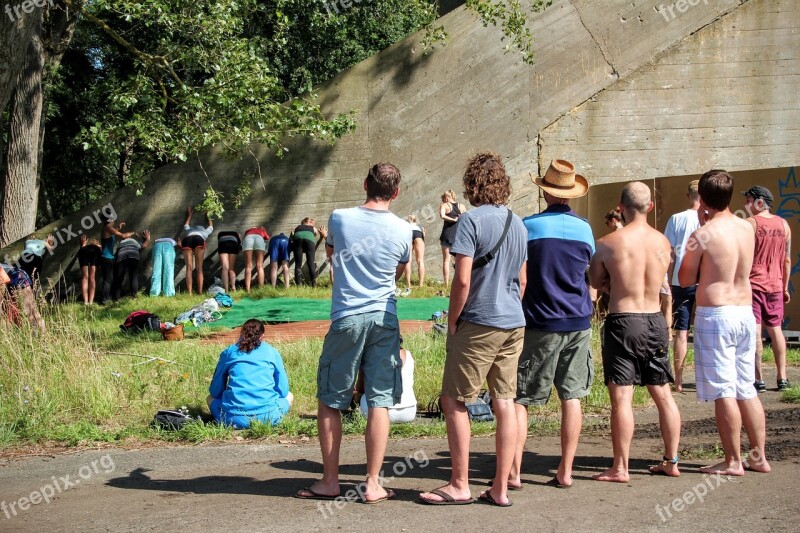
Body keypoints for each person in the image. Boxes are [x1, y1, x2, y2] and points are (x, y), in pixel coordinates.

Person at [295, 162, 411, 504]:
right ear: (396, 192)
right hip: (384, 316)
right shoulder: (404, 229)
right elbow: (398, 272)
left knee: (331, 398)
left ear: (365, 184)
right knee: (380, 399)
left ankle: (330, 480)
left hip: (347, 315)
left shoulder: (340, 217)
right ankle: (373, 483)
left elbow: (332, 254)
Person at [419, 152, 527, 507]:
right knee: (505, 401)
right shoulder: (518, 223)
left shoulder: (469, 222)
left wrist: (452, 321)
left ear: (472, 183)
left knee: (454, 399)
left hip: (480, 320)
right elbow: (522, 280)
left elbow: (462, 280)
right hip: (514, 321)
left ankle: (460, 483)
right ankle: (500, 486)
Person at [588, 181, 682, 482]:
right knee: (663, 394)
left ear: (620, 206)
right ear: (650, 207)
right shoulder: (663, 243)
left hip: (623, 319)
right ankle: (671, 460)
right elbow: (663, 278)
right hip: (654, 318)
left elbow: (594, 279)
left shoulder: (607, 243)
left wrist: (611, 284)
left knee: (623, 398)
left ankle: (620, 467)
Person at [679, 170, 771, 475]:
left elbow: (684, 278)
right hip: (745, 311)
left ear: (702, 198)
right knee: (747, 387)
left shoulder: (702, 234)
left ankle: (733, 460)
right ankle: (758, 457)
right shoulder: (748, 227)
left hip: (716, 314)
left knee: (723, 390)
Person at [511, 159, 593, 490]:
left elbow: (520, 278)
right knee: (571, 396)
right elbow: (588, 270)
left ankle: (514, 472)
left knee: (521, 398)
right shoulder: (585, 228)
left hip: (539, 321)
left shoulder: (528, 226)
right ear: (571, 193)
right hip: (578, 321)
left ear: (544, 191)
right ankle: (566, 470)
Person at [744, 186, 792, 392]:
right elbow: (787, 259)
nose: (746, 205)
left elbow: (743, 257)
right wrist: (784, 286)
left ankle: (759, 379)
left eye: (748, 200)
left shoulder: (750, 224)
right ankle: (783, 378)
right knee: (776, 331)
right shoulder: (784, 225)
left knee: (756, 332)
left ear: (759, 201)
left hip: (753, 285)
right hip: (775, 285)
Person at [207, 319, 293, 428]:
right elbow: (283, 391)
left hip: (232, 418)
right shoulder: (272, 352)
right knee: (289, 396)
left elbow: (215, 392)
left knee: (209, 398)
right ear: (262, 336)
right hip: (268, 417)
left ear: (242, 333)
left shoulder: (229, 352)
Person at [664, 180, 701, 392]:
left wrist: (668, 280)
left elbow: (669, 252)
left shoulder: (676, 218)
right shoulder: (709, 219)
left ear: (688, 196)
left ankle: (677, 379)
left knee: (681, 332)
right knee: (704, 330)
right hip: (704, 280)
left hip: (680, 281)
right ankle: (704, 378)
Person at [357, 337, 416, 423]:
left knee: (362, 397)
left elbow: (361, 389)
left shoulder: (369, 356)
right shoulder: (409, 354)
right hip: (409, 412)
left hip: (374, 412)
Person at [1, 263, 45, 332]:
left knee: (30, 312)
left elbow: (2, 281)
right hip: (7, 279)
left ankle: (42, 337)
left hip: (16, 276)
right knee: (8, 315)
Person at [100, 216, 134, 304]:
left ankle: (108, 297)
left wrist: (119, 227)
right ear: (112, 220)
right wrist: (133, 233)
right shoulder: (108, 228)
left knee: (110, 279)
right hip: (106, 257)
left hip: (109, 257)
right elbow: (122, 236)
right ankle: (104, 300)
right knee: (107, 280)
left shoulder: (108, 228)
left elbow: (113, 233)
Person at [438, 189, 466, 290]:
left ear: (446, 197)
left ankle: (446, 284)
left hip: (447, 234)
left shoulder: (444, 205)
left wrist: (453, 220)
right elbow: (466, 218)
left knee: (446, 260)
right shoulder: (461, 206)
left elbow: (442, 215)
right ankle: (458, 283)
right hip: (458, 235)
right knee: (458, 261)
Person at [182, 207, 213, 295]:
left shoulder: (190, 230)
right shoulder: (204, 231)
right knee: (199, 268)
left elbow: (186, 225)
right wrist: (208, 215)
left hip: (187, 240)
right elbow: (211, 227)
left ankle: (190, 293)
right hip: (198, 239)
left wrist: (189, 215)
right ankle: (199, 292)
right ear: (202, 228)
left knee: (189, 269)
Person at [112, 231, 150, 300]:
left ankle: (116, 298)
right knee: (133, 277)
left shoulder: (120, 242)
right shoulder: (134, 241)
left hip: (122, 256)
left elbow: (115, 251)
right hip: (133, 255)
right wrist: (147, 239)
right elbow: (144, 246)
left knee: (119, 278)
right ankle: (134, 296)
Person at [291, 218, 326, 287]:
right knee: (311, 263)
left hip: (297, 239)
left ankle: (298, 285)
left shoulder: (298, 227)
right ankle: (314, 285)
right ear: (308, 222)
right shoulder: (312, 227)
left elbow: (293, 235)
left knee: (298, 264)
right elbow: (315, 234)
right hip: (309, 240)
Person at [242, 226, 270, 292]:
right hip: (259, 239)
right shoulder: (261, 230)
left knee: (248, 266)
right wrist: (264, 230)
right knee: (260, 266)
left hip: (248, 238)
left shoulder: (248, 230)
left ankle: (248, 290)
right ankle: (261, 289)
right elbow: (267, 237)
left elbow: (245, 235)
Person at [77, 235, 103, 304]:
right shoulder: (98, 247)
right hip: (95, 251)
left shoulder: (86, 246)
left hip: (84, 250)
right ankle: (91, 302)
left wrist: (83, 244)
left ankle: (85, 302)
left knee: (85, 277)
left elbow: (83, 248)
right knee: (92, 277)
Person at [403, 215, 426, 289]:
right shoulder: (420, 227)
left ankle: (408, 284)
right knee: (420, 261)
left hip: (408, 233)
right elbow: (424, 236)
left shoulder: (406, 225)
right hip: (418, 235)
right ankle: (421, 284)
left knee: (408, 261)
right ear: (415, 220)